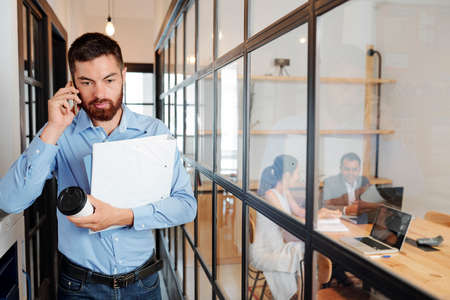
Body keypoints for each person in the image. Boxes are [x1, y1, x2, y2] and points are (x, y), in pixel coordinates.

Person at [0, 32, 196, 299]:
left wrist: (123, 216)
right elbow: (11, 201)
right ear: (73, 84)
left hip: (144, 284)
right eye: (87, 82)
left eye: (109, 79)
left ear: (124, 75)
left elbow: (186, 206)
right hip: (79, 288)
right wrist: (54, 128)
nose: (100, 93)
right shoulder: (59, 133)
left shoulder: (154, 131)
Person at [250, 155, 305, 300]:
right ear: (287, 175)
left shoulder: (285, 192)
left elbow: (299, 211)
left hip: (278, 245)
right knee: (302, 250)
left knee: (302, 250)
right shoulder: (270, 195)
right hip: (268, 251)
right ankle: (298, 294)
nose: (298, 176)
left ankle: (301, 292)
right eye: (297, 173)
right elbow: (286, 226)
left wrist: (321, 214)